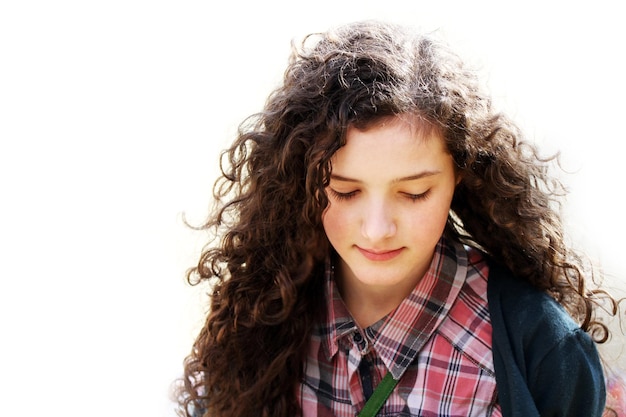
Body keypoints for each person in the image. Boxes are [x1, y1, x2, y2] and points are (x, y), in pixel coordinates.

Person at [175, 20, 623, 417]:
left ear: (460, 176)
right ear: (304, 184)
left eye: (413, 193)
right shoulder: (261, 312)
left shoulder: (541, 349)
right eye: (345, 192)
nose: (376, 229)